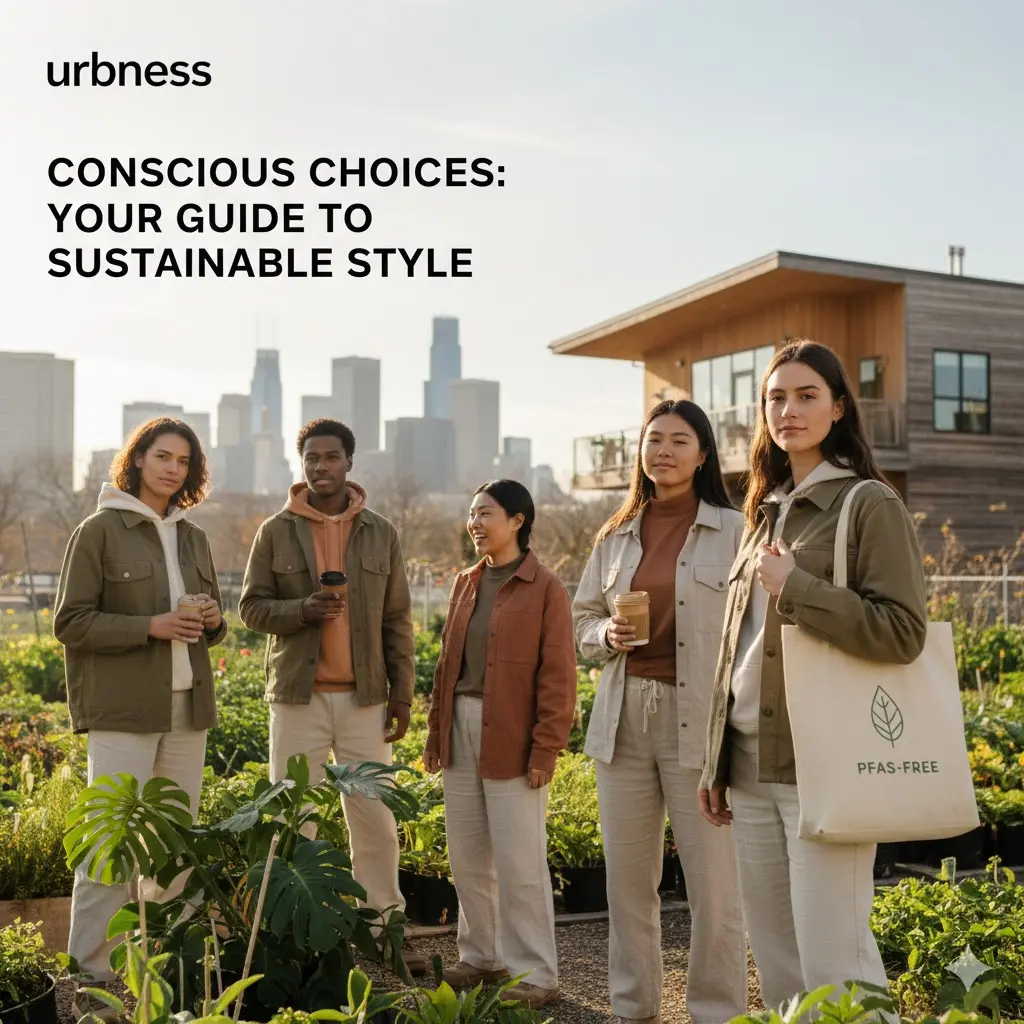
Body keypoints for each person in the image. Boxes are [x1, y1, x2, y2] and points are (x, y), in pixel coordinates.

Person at [698, 340, 928, 1012]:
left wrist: (797, 586)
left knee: (836, 959)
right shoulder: (764, 508)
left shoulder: (868, 504)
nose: (788, 410)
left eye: (805, 396)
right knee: (777, 963)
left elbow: (902, 632)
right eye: (776, 397)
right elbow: (734, 646)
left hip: (823, 764)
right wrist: (716, 758)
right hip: (747, 763)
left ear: (837, 407)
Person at [573, 399, 748, 1024]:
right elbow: (582, 618)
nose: (664, 452)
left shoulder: (736, 530)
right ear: (640, 453)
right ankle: (634, 1009)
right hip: (623, 722)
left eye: (680, 441)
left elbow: (755, 629)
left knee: (713, 888)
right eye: (654, 440)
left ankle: (717, 1012)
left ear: (703, 455)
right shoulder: (614, 533)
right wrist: (604, 638)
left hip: (699, 724)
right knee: (626, 884)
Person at [237, 418, 424, 974]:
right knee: (296, 820)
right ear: (302, 465)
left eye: (331, 457)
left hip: (366, 699)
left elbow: (398, 619)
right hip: (297, 700)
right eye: (311, 458)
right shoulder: (275, 530)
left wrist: (403, 695)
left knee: (375, 821)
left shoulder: (381, 532)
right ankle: (297, 937)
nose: (321, 466)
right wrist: (303, 611)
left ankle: (386, 930)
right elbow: (250, 608)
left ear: (349, 462)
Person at [53, 418, 226, 1011]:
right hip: (124, 712)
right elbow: (69, 622)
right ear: (138, 459)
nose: (172, 468)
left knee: (173, 843)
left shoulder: (194, 536)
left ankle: (165, 966)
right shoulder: (99, 530)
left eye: (183, 460)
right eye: (162, 456)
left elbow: (216, 624)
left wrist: (209, 617)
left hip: (187, 712)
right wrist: (149, 626)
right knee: (111, 841)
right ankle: (91, 974)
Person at [424, 480, 577, 1012]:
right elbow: (447, 667)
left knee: (520, 862)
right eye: (471, 514)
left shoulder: (545, 587)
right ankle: (482, 956)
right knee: (467, 854)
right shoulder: (466, 582)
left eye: (485, 513)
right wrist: (435, 733)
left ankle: (535, 974)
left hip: (512, 731)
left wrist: (546, 749)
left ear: (517, 520)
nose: (475, 523)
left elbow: (559, 676)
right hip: (461, 728)